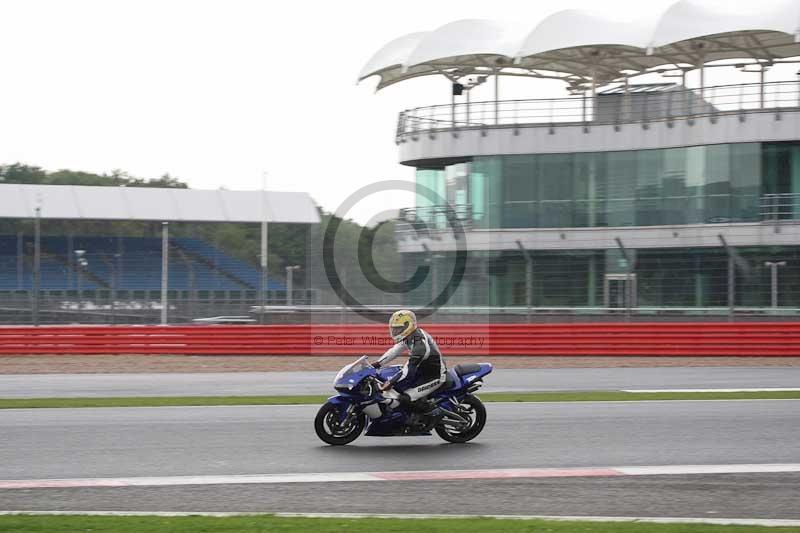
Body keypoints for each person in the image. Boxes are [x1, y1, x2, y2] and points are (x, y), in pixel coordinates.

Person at [372, 309, 447, 416]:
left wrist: (391, 382)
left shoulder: (419, 344)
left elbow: (408, 369)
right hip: (422, 371)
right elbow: (395, 351)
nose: (396, 331)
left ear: (408, 325)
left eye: (399, 328)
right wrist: (377, 364)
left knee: (405, 398)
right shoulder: (410, 336)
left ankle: (434, 413)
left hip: (435, 376)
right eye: (394, 328)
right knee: (397, 387)